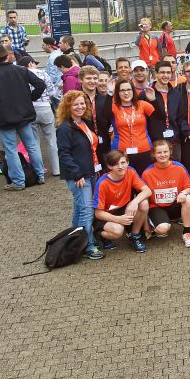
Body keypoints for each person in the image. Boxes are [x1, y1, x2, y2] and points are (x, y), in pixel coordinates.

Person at [56, 90, 105, 260]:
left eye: (82, 103)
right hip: (79, 176)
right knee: (86, 211)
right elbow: (63, 153)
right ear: (67, 107)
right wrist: (76, 174)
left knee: (79, 209)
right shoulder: (65, 128)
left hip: (90, 172)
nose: (80, 107)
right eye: (75, 104)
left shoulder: (84, 122)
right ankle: (88, 246)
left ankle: (75, 240)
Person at [93, 150, 151, 252]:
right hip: (106, 215)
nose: (120, 167)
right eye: (116, 164)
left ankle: (135, 236)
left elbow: (147, 191)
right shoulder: (102, 183)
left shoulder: (130, 171)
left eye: (123, 162)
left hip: (123, 208)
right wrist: (118, 219)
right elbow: (98, 213)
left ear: (127, 163)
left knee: (144, 203)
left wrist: (134, 202)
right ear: (109, 166)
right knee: (118, 231)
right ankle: (99, 235)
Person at [141, 141, 190, 247]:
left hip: (175, 204)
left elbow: (189, 187)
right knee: (162, 230)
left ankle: (186, 232)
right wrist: (145, 224)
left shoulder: (179, 167)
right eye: (159, 152)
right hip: (156, 207)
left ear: (170, 152)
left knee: (189, 198)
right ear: (154, 154)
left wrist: (183, 193)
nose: (163, 155)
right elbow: (144, 200)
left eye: (165, 151)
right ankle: (156, 223)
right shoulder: (147, 173)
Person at [17, 56, 59, 177]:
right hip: (45, 107)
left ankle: (39, 170)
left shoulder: (20, 75)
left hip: (30, 109)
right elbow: (52, 92)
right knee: (52, 140)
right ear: (30, 63)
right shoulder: (43, 73)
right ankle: (57, 169)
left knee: (34, 142)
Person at [141, 60, 188, 163]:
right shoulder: (146, 94)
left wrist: (189, 132)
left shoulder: (176, 94)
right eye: (162, 72)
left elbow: (181, 118)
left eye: (168, 72)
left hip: (174, 142)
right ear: (156, 74)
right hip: (155, 143)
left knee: (175, 170)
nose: (165, 75)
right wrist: (153, 101)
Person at [108, 78, 155, 174]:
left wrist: (153, 100)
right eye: (122, 90)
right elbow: (103, 114)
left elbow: (160, 117)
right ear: (117, 93)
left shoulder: (143, 104)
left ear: (133, 91)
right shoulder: (113, 107)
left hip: (144, 150)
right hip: (121, 152)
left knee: (144, 178)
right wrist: (109, 94)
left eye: (129, 89)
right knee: (125, 180)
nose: (126, 93)